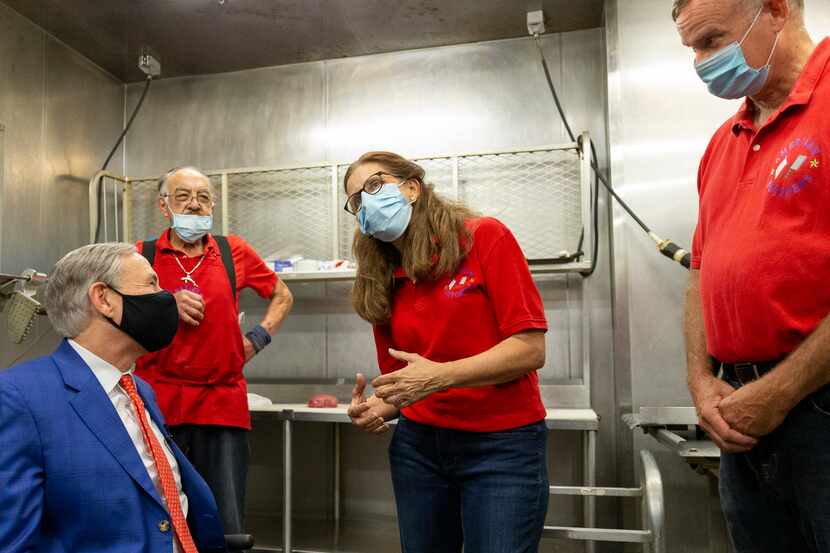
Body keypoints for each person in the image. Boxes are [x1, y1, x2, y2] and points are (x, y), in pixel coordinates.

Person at [675, 0, 830, 550]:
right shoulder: (724, 141)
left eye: (712, 41)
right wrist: (701, 381)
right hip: (741, 409)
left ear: (776, 9)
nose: (700, 62)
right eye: (692, 47)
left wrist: (782, 390)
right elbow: (701, 268)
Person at [343, 151, 549, 553]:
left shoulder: (483, 238)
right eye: (355, 201)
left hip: (501, 446)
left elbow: (529, 349)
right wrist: (380, 406)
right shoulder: (381, 274)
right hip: (419, 448)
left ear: (412, 187)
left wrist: (439, 375)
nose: (366, 202)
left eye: (373, 186)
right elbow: (404, 381)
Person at [0, 243, 227, 552]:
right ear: (103, 299)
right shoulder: (18, 397)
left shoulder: (139, 390)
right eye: (151, 283)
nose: (165, 296)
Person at [134, 166, 293, 534]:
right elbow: (118, 311)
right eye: (183, 196)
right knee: (160, 517)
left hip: (221, 405)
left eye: (203, 197)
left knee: (223, 523)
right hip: (159, 405)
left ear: (213, 204)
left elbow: (282, 295)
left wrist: (257, 338)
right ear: (164, 206)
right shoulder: (141, 256)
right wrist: (165, 303)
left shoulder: (232, 250)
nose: (194, 205)